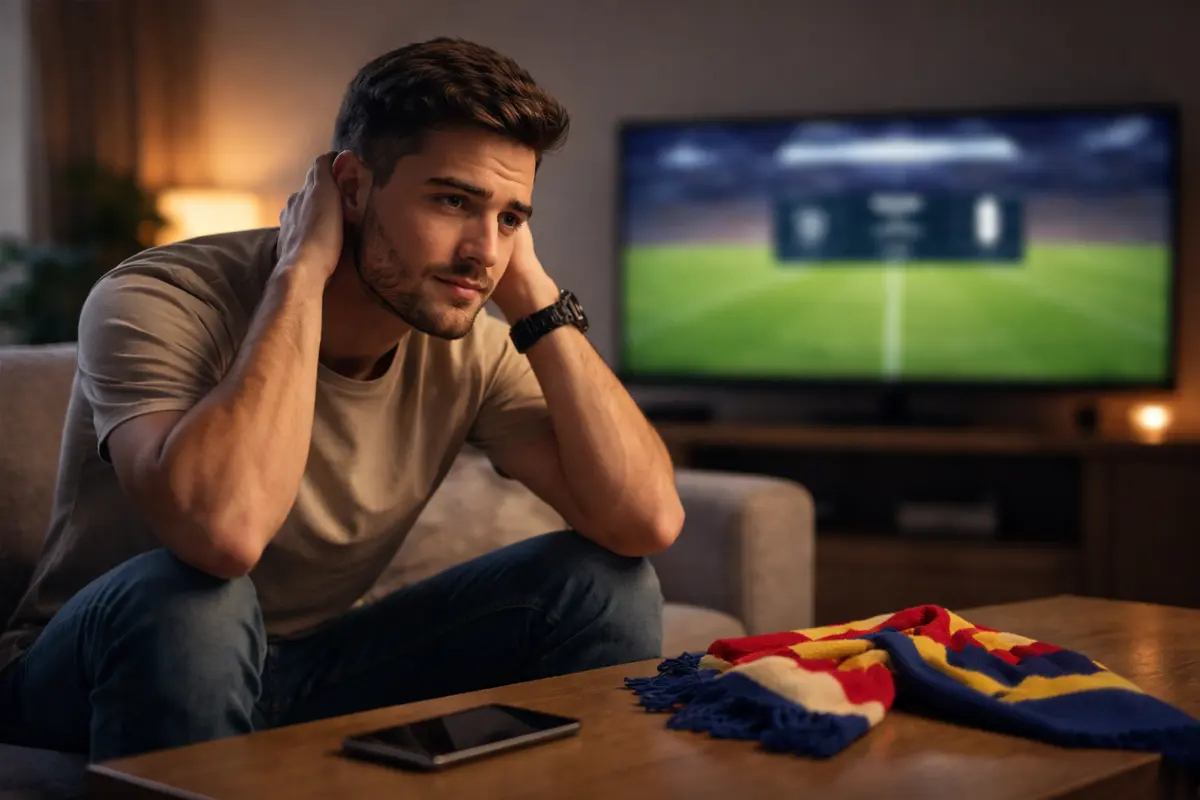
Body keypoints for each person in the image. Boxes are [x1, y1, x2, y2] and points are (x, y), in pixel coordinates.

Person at [0, 37, 683, 762]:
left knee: (607, 584)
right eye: (455, 201)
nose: (486, 250)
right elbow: (221, 535)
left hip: (308, 668)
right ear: (351, 187)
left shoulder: (473, 345)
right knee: (197, 599)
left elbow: (644, 522)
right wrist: (299, 274)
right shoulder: (157, 300)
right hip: (96, 669)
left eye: (512, 217)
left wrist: (538, 302)